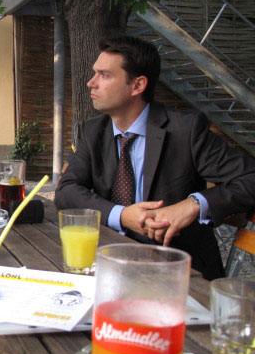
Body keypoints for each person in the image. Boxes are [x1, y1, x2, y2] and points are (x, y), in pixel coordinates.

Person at [55, 36, 255, 280]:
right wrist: (122, 215)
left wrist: (192, 204)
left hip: (179, 270)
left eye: (104, 75)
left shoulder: (185, 130)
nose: (90, 83)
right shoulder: (91, 131)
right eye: (94, 73)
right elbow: (66, 190)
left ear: (137, 85)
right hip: (108, 262)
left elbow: (250, 177)